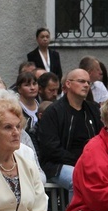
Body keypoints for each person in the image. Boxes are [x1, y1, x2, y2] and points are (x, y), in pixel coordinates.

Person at [37, 69, 102, 199]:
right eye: (81, 81)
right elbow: (51, 148)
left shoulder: (93, 109)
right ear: (68, 84)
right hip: (58, 165)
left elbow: (102, 138)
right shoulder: (54, 112)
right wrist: (80, 162)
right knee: (77, 180)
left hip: (91, 162)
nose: (86, 85)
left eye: (88, 83)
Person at [14, 71, 40, 138]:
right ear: (19, 89)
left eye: (34, 84)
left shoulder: (41, 105)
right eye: (27, 85)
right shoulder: (15, 109)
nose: (32, 88)